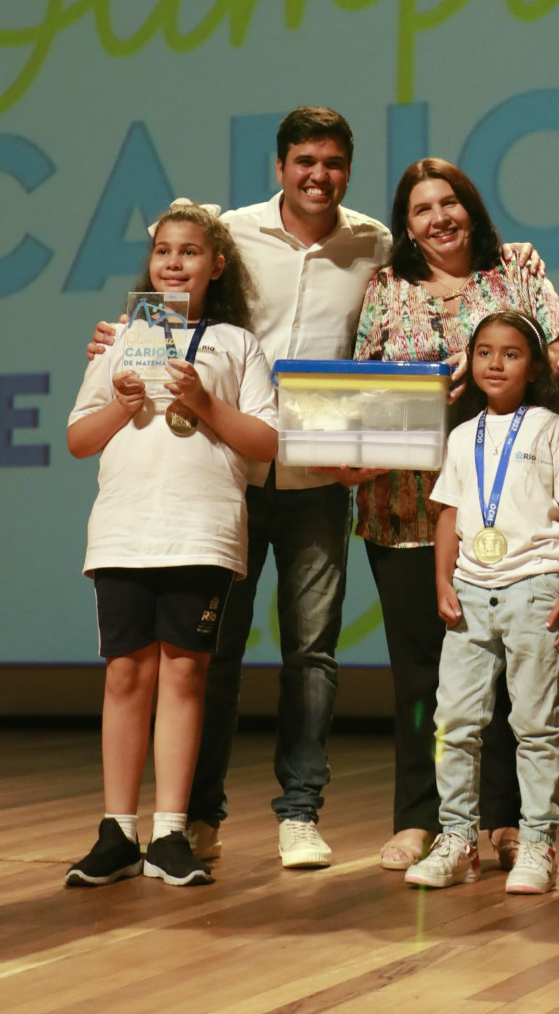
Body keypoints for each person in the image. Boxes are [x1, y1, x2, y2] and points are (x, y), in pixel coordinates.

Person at [87, 105, 391, 869]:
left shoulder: (374, 243)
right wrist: (120, 335)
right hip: (224, 475)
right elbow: (170, 286)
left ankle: (299, 813)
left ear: (346, 168)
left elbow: (381, 349)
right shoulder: (231, 231)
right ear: (280, 166)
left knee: (312, 654)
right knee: (206, 653)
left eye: (332, 162)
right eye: (303, 161)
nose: (317, 175)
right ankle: (191, 818)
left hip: (319, 474)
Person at [350, 158, 559, 874]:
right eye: (421, 209)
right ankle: (423, 820)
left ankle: (506, 821)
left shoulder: (516, 267)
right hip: (406, 508)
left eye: (450, 202)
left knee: (509, 677)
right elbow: (361, 389)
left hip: (509, 516)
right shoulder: (386, 288)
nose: (439, 218)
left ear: (470, 208)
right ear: (405, 226)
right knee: (424, 678)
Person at [65, 203, 278, 889]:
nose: (174, 262)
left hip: (203, 531)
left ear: (217, 265)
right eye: (163, 251)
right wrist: (123, 405)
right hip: (126, 530)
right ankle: (116, 830)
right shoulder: (122, 339)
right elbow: (78, 439)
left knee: (185, 675)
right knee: (127, 674)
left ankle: (169, 831)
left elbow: (266, 444)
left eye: (189, 251)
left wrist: (207, 404)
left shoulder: (236, 345)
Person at [406, 311, 559, 896]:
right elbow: (449, 514)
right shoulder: (463, 436)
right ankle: (457, 838)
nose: (495, 363)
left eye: (511, 353)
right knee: (454, 720)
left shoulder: (551, 430)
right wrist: (442, 579)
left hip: (534, 585)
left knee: (535, 724)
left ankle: (537, 842)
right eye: (484, 351)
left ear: (534, 365)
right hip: (468, 591)